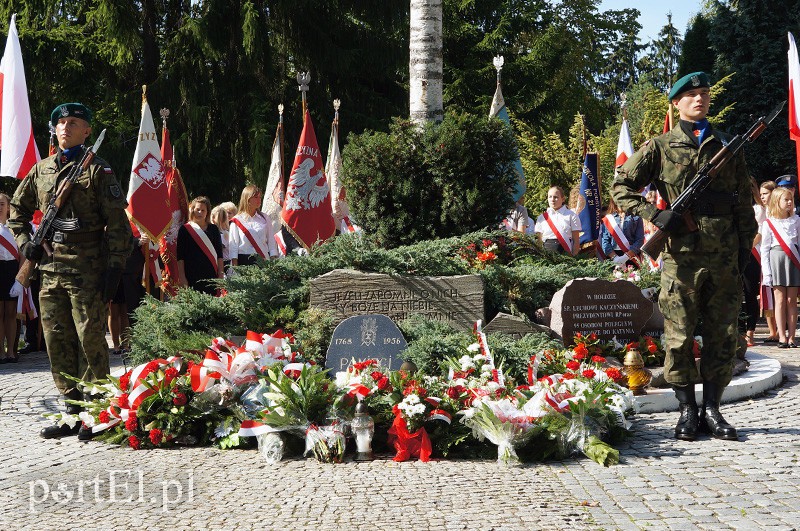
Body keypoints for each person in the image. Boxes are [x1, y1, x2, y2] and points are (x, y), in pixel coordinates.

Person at [611, 72, 757, 442]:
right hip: (682, 258)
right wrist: (655, 215)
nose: (700, 99)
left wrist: (744, 249)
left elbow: (743, 201)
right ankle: (687, 411)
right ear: (676, 103)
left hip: (724, 257)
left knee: (723, 333)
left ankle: (713, 408)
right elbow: (621, 185)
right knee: (678, 336)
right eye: (691, 95)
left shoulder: (727, 145)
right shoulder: (660, 146)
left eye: (704, 94)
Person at [8, 102, 132, 439]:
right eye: (60, 122)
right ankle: (72, 412)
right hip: (50, 267)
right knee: (56, 340)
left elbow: (120, 226)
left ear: (87, 130)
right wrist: (25, 245)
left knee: (90, 339)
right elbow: (17, 210)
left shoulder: (98, 171)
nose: (65, 127)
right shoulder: (43, 169)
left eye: (74, 122)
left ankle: (99, 412)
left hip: (88, 267)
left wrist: (115, 268)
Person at [760, 186, 800, 349]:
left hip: (793, 261)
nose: (790, 202)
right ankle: (781, 336)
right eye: (786, 199)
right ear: (777, 201)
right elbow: (764, 248)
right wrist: (767, 273)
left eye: (791, 199)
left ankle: (792, 336)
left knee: (792, 301)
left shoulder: (796, 220)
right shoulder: (769, 223)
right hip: (776, 261)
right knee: (780, 300)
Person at [177, 196, 224, 295]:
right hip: (191, 275)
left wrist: (221, 274)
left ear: (207, 212)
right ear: (192, 210)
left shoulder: (213, 229)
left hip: (211, 274)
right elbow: (180, 257)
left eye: (203, 210)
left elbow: (219, 254)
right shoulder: (184, 230)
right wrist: (182, 277)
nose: (200, 212)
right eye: (197, 209)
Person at [229, 185, 277, 266]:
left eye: (260, 197)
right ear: (247, 199)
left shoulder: (265, 218)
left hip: (263, 260)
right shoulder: (236, 220)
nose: (259, 200)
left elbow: (271, 242)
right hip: (244, 261)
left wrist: (273, 261)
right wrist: (235, 268)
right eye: (255, 197)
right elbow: (233, 246)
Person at [757, 181, 779, 343]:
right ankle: (773, 331)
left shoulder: (780, 211)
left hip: (779, 256)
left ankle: (781, 330)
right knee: (768, 294)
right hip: (766, 255)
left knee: (781, 295)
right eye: (761, 194)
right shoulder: (761, 210)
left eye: (765, 193)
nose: (762, 197)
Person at [0, 194, 20, 363]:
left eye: (2, 204)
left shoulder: (14, 228)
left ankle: (11, 351)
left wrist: (20, 279)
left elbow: (22, 255)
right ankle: (0, 351)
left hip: (12, 269)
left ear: (8, 207)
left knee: (11, 313)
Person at [534, 186, 581, 255]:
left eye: (556, 197)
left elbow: (576, 240)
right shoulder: (541, 218)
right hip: (547, 254)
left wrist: (574, 257)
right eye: (550, 197)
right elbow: (539, 241)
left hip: (565, 254)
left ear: (563, 199)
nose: (552, 199)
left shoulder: (571, 216)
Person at [599, 197, 644, 267]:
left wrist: (625, 257)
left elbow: (639, 240)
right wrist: (615, 258)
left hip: (632, 256)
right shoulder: (608, 218)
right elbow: (605, 241)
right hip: (613, 257)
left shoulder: (636, 217)